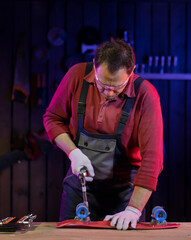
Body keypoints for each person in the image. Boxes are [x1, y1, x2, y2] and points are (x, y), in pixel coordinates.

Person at [43, 39, 163, 230]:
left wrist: (133, 209)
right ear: (95, 66)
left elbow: (153, 159)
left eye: (116, 87)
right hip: (80, 187)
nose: (108, 93)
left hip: (125, 194)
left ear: (131, 71)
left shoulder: (145, 95)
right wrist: (73, 152)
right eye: (102, 84)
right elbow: (53, 118)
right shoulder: (77, 75)